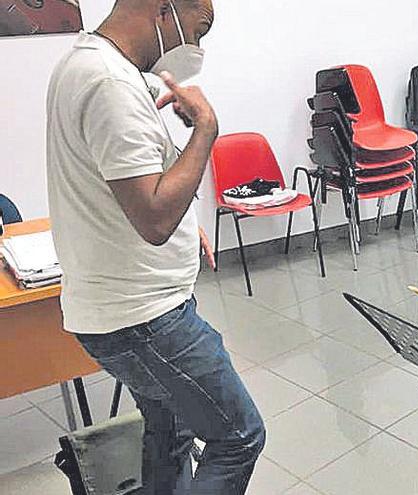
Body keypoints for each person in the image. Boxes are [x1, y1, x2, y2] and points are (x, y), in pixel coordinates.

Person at [46, 1, 264, 493]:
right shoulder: (111, 85)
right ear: (163, 9)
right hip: (145, 319)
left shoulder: (91, 62)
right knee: (238, 438)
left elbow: (127, 181)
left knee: (170, 427)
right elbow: (155, 217)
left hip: (119, 310)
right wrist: (206, 130)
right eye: (198, 29)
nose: (198, 47)